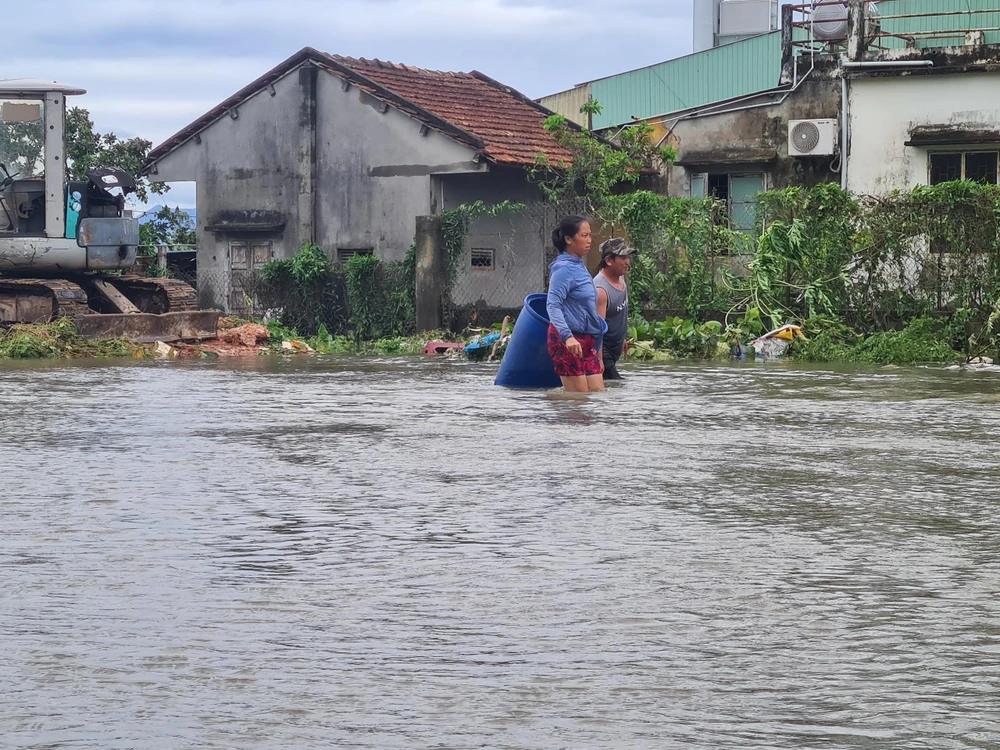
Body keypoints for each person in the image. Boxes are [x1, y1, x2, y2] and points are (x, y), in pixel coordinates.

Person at [546, 216, 606, 393]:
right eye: (584, 235)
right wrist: (567, 336)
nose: (589, 240)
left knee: (598, 396)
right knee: (577, 403)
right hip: (567, 341)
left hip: (586, 341)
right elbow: (552, 305)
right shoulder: (563, 269)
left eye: (590, 235)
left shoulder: (579, 265)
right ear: (568, 239)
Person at [594, 238, 637, 380]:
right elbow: (597, 329)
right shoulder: (601, 290)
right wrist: (598, 360)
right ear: (609, 260)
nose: (627, 262)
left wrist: (622, 338)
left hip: (614, 349)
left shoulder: (621, 279)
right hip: (603, 351)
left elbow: (617, 314)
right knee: (617, 387)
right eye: (623, 258)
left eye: (628, 258)